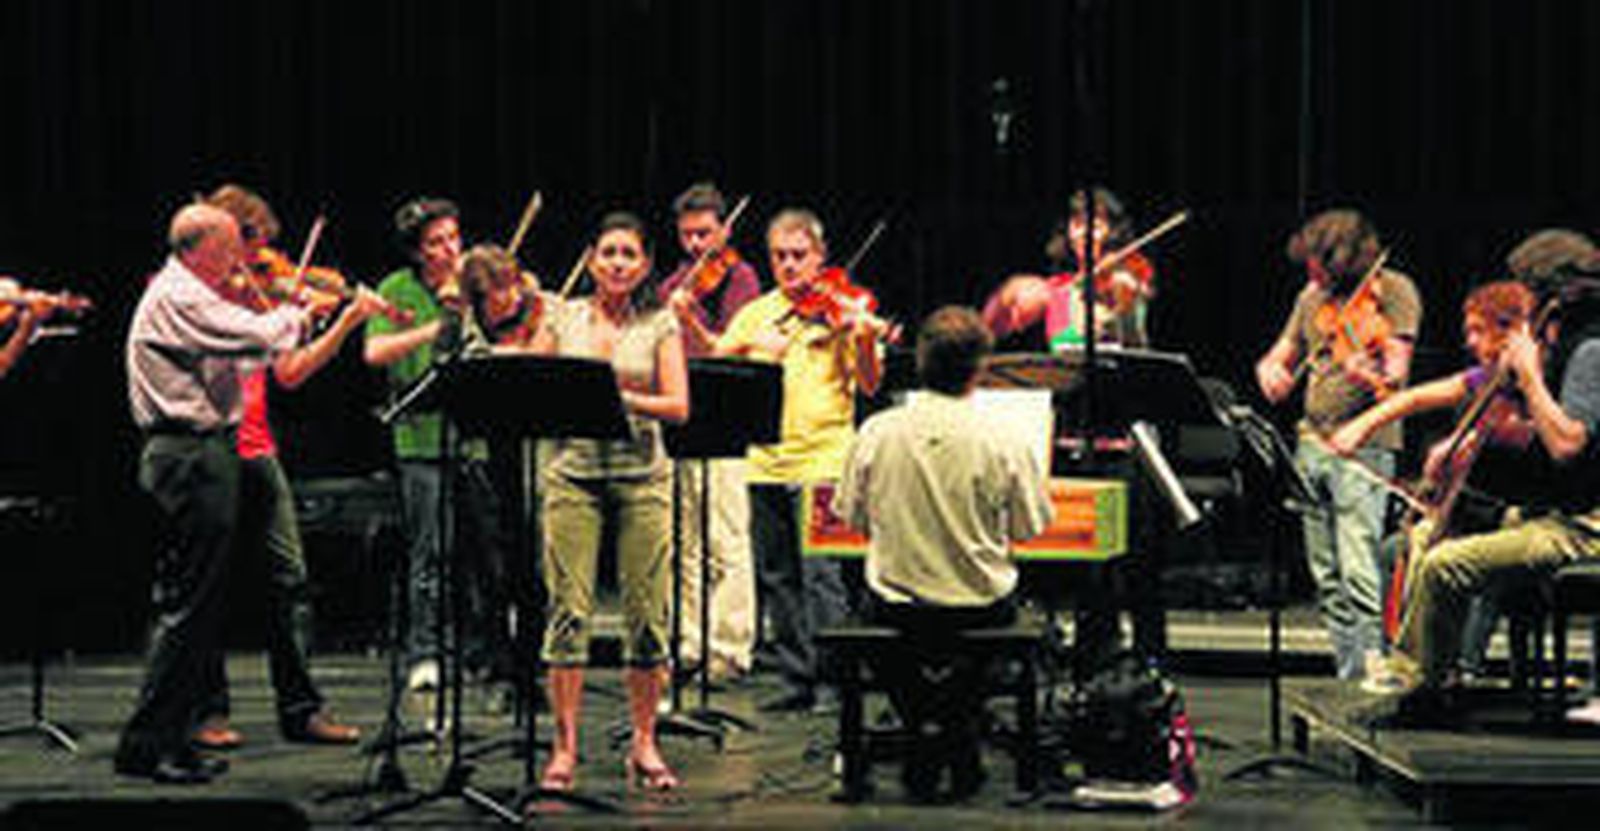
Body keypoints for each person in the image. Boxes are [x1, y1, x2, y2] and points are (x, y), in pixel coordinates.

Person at [116, 202, 380, 783]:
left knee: (199, 605)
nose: (243, 257)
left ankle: (173, 735)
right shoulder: (180, 293)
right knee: (186, 604)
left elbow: (259, 349)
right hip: (187, 453)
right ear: (203, 247)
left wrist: (297, 315)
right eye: (233, 244)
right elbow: (258, 332)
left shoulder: (194, 291)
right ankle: (146, 743)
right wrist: (296, 312)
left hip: (203, 451)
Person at [833, 305, 1054, 801]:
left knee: (882, 623)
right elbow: (1030, 528)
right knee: (1004, 618)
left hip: (897, 602)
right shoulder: (1004, 437)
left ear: (919, 360)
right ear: (980, 369)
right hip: (980, 601)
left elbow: (851, 517)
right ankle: (957, 727)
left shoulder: (877, 431)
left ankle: (919, 727)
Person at [179, 184, 366, 750]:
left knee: (290, 580)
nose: (257, 265)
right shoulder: (193, 299)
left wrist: (339, 325)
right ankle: (202, 711)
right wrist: (275, 307)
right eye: (249, 248)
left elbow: (289, 374)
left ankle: (301, 709)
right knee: (203, 586)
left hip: (258, 449)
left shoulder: (262, 302)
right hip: (210, 449)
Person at [524, 211, 688, 793]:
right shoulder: (563, 316)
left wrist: (615, 395)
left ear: (644, 265)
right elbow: (529, 380)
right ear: (591, 260)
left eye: (629, 254)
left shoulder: (661, 321)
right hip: (573, 476)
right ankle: (564, 746)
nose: (618, 263)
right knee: (569, 612)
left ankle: (645, 741)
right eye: (608, 252)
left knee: (647, 617)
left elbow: (678, 406)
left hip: (642, 475)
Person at [718, 207, 886, 712]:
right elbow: (717, 360)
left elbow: (871, 384)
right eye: (780, 256)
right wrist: (751, 345)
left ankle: (836, 683)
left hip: (823, 462)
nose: (789, 265)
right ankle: (797, 679)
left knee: (823, 579)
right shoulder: (756, 313)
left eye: (799, 255)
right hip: (764, 462)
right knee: (777, 577)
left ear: (820, 257)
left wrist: (863, 337)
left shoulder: (839, 313)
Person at [1255, 209, 1422, 681]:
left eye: (1318, 263)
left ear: (1345, 259)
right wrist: (1270, 369)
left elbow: (1396, 375)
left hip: (1364, 445)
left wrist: (1364, 372)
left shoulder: (1394, 291)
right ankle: (1347, 673)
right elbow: (1281, 352)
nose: (1310, 273)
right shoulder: (1312, 298)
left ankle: (1375, 666)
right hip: (1311, 441)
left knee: (1358, 568)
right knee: (1326, 576)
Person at [364, 198, 514, 710]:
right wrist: (435, 325)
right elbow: (375, 353)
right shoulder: (395, 290)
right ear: (417, 251)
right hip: (419, 441)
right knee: (429, 554)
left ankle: (482, 652)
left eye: (453, 237)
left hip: (471, 438)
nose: (450, 249)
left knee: (484, 555)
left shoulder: (472, 283)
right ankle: (424, 654)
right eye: (437, 242)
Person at [657, 182, 762, 681]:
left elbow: (731, 349)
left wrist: (690, 322)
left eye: (705, 233)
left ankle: (730, 646)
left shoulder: (742, 278)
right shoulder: (674, 285)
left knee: (726, 536)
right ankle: (689, 641)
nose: (697, 245)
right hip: (683, 417)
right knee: (685, 539)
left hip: (727, 417)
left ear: (724, 229)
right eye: (688, 236)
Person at [981, 187, 1155, 350]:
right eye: (1077, 225)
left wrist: (1126, 294)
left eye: (1094, 227)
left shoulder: (1128, 273)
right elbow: (989, 326)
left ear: (1112, 233)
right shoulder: (1057, 288)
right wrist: (1007, 295)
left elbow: (1133, 337)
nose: (1083, 234)